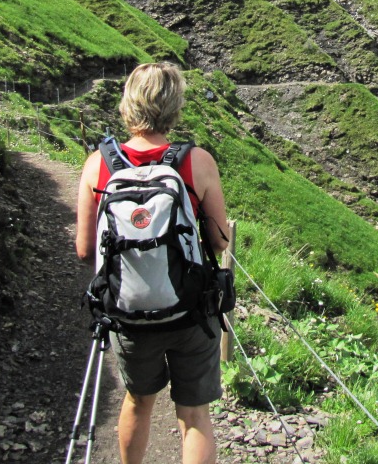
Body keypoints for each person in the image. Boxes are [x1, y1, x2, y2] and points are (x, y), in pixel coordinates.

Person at [76, 63, 229, 464]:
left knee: (137, 401)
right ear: (174, 106)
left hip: (128, 312)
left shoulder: (98, 164)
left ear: (129, 103)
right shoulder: (197, 161)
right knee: (194, 414)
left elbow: (82, 249)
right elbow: (219, 241)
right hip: (189, 310)